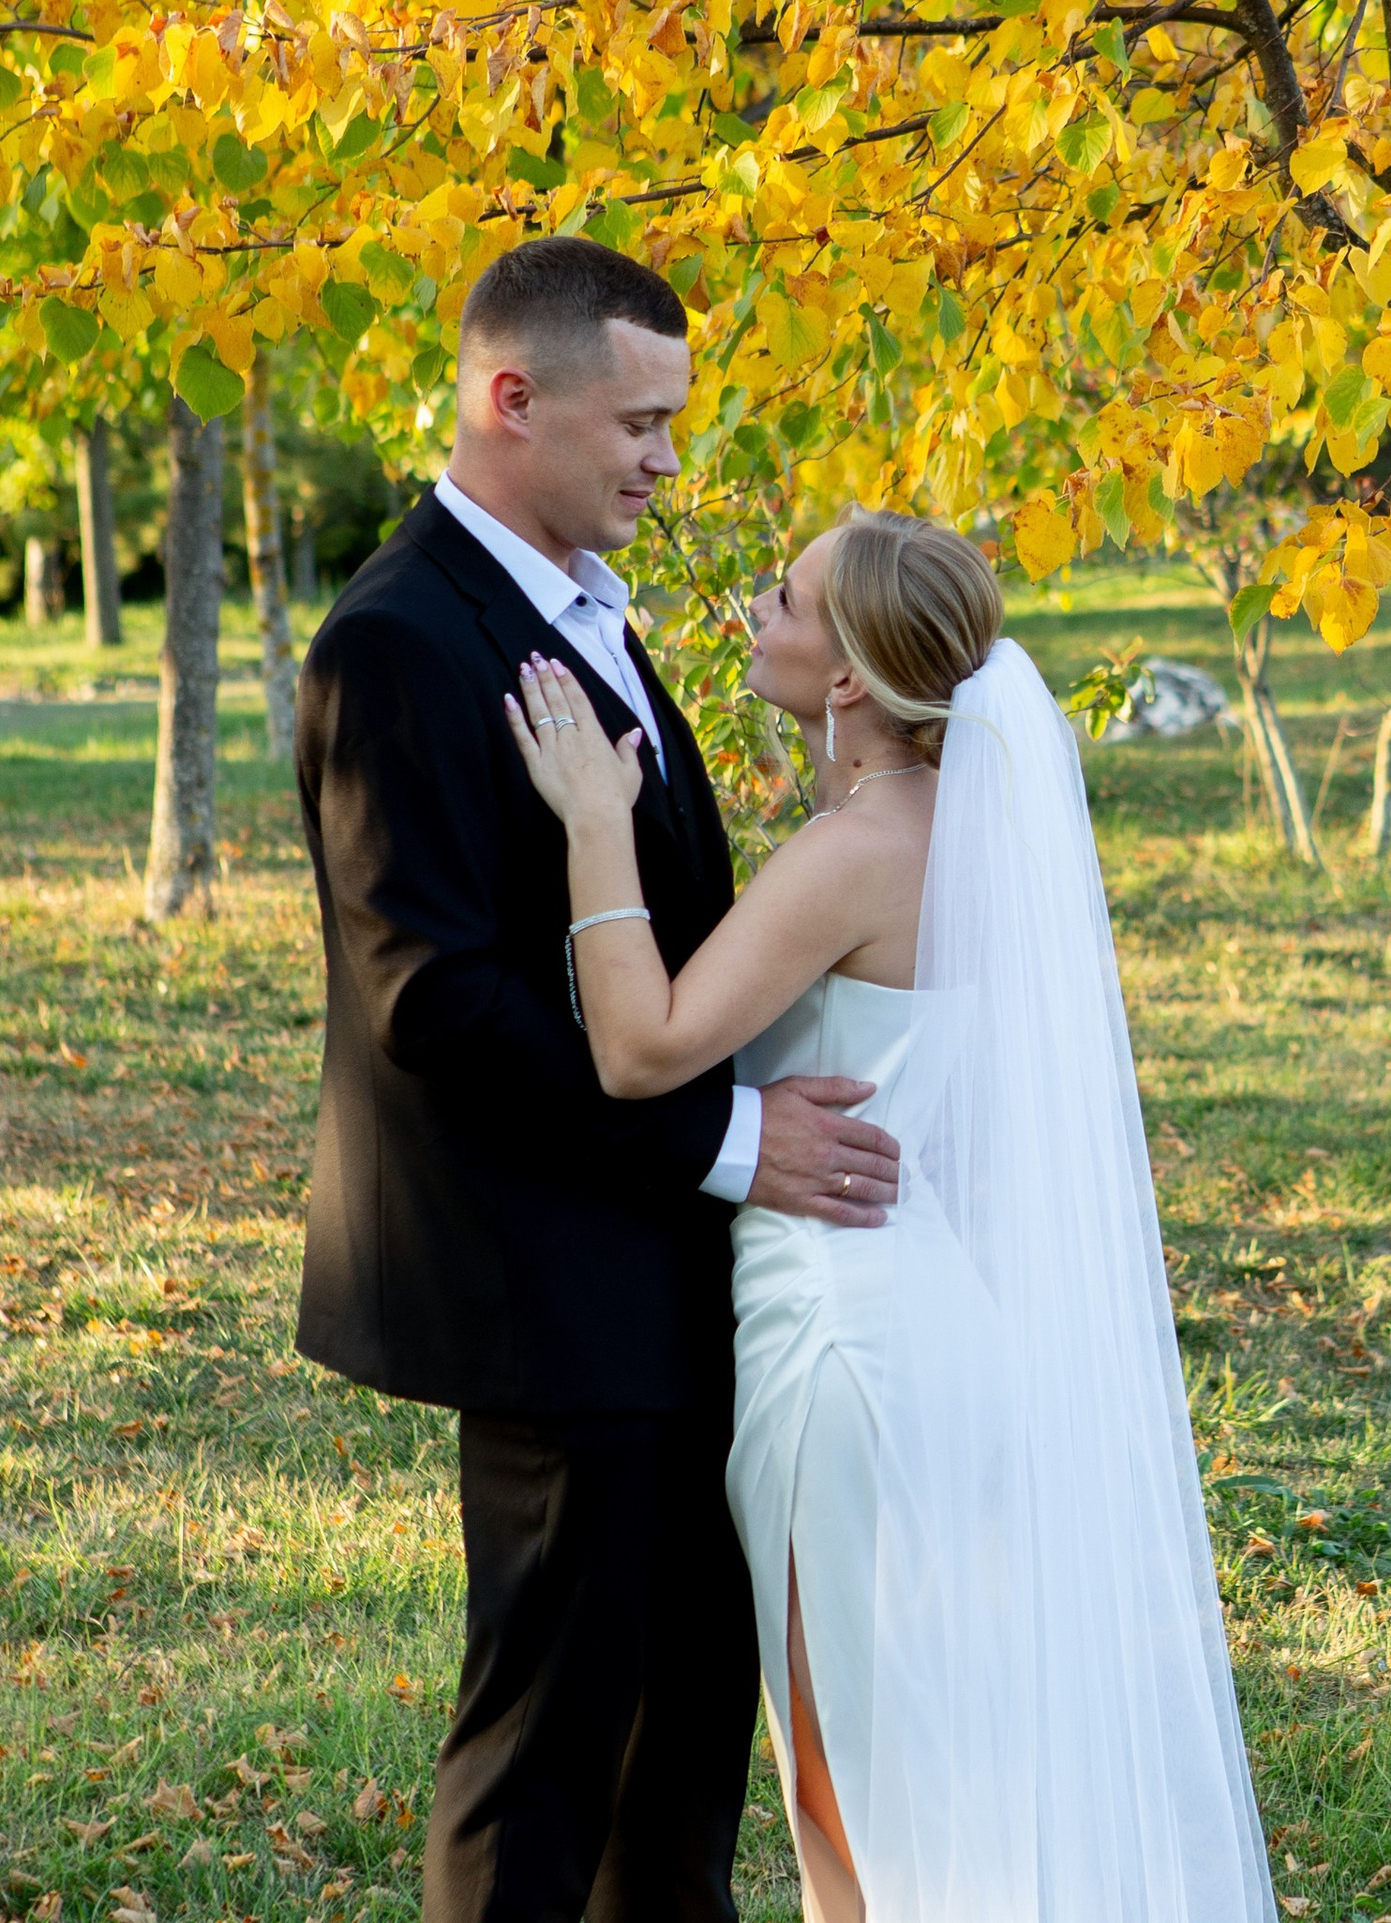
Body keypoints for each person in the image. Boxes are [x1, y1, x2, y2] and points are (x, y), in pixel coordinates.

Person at [505, 506, 1276, 1923]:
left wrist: (597, 827)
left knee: (848, 1794)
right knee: (922, 1767)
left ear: (850, 674)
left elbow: (638, 1047)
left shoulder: (863, 850)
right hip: (927, 1321)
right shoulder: (951, 837)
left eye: (787, 595)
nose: (757, 604)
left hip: (843, 1350)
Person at [292, 237, 904, 1923]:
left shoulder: (580, 608)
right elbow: (434, 1002)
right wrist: (729, 1141)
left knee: (682, 1744)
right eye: (637, 421)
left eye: (674, 423)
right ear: (511, 398)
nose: (664, 458)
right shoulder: (400, 640)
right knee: (548, 1754)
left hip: (680, 1279)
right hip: (546, 1283)